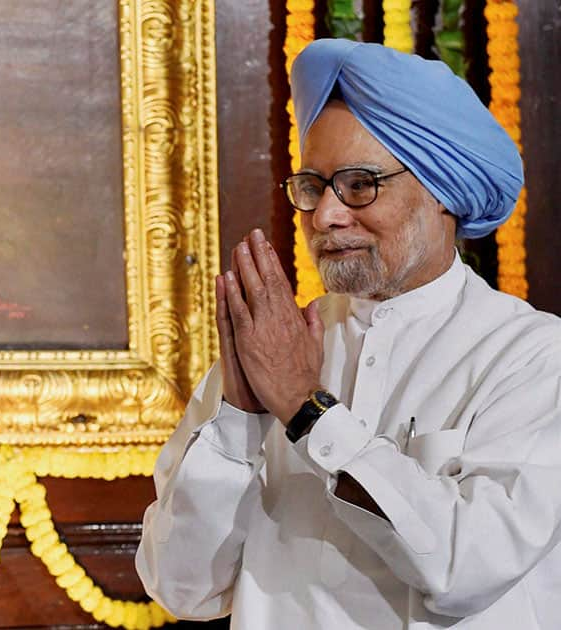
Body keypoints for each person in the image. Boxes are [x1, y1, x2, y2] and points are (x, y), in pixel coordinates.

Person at [136, 38, 561, 629]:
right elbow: (182, 588)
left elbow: (467, 565)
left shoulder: (530, 356)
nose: (326, 216)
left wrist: (308, 413)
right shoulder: (276, 347)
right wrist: (239, 417)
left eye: (360, 184)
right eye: (312, 186)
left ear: (442, 189)